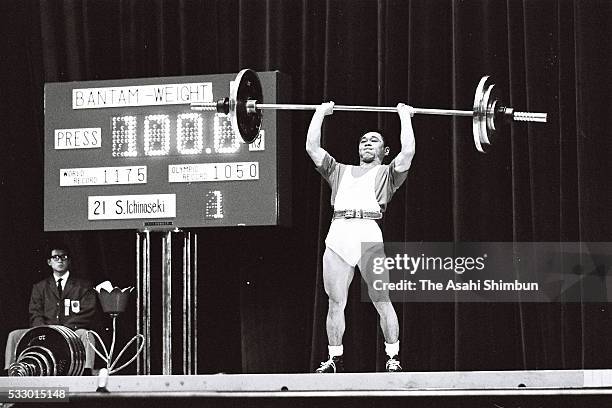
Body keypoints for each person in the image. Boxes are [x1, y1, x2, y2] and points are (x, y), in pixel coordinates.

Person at [306, 102, 415, 373]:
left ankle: (393, 357)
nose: (367, 143)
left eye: (374, 140)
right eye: (363, 140)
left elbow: (409, 151)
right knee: (335, 301)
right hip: (339, 232)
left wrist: (404, 116)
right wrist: (320, 112)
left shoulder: (388, 174)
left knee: (381, 299)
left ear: (384, 151)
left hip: (368, 231)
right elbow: (312, 147)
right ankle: (334, 358)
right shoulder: (338, 170)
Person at [4, 243, 98, 375]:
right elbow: (35, 313)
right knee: (14, 335)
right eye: (55, 257)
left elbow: (87, 312)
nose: (60, 260)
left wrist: (64, 330)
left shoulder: (83, 286)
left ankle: (86, 371)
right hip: (45, 331)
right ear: (49, 262)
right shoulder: (39, 287)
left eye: (63, 257)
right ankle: (11, 371)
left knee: (87, 335)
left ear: (69, 261)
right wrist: (45, 331)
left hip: (71, 331)